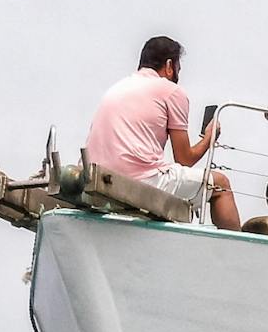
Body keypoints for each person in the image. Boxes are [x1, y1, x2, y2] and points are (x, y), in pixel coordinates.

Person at [84, 36, 241, 230]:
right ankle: (237, 254)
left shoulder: (117, 88)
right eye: (178, 70)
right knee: (220, 184)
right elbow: (184, 159)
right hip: (141, 179)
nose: (177, 76)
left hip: (97, 176)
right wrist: (208, 138)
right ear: (169, 65)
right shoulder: (171, 91)